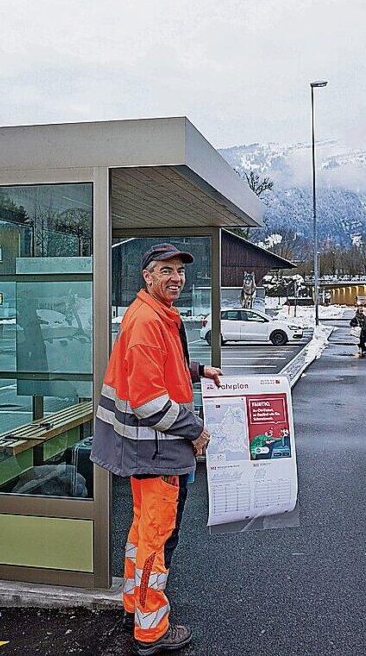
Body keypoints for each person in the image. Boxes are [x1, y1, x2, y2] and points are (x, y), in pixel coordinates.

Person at [91, 243, 223, 655]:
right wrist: (195, 430)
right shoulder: (148, 322)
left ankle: (136, 603)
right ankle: (151, 629)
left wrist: (199, 371)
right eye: (165, 271)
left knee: (142, 532)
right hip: (157, 451)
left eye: (179, 272)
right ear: (147, 276)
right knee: (157, 539)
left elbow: (163, 371)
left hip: (145, 452)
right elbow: (150, 403)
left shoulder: (153, 315)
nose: (175, 278)